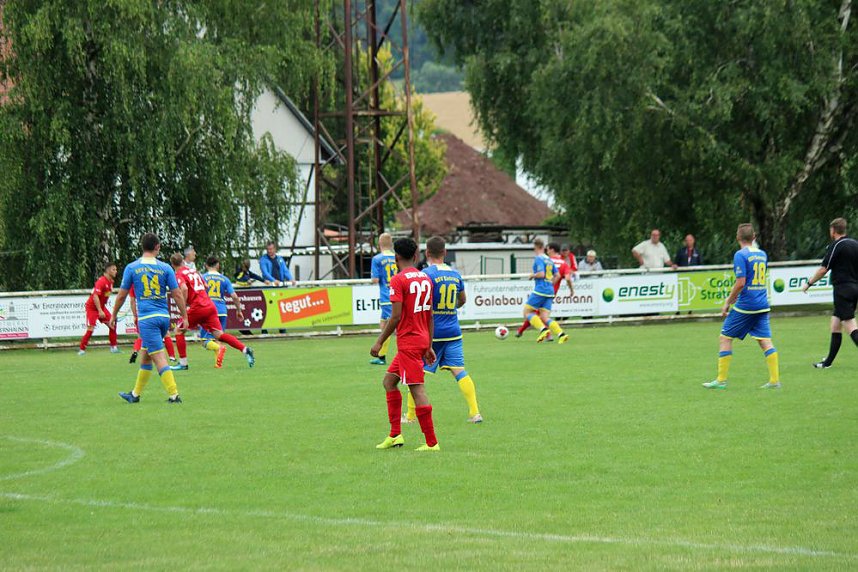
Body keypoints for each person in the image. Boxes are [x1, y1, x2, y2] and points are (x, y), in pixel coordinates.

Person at [370, 237, 440, 452]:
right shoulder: (425, 279)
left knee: (416, 388)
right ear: (416, 255)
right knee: (389, 382)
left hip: (408, 342)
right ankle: (395, 434)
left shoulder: (398, 280)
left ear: (396, 257)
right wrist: (428, 345)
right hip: (419, 339)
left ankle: (431, 442)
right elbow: (429, 315)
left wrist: (380, 341)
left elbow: (396, 316)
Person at [403, 236, 482, 424]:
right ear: (445, 252)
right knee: (460, 371)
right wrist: (449, 308)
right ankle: (475, 412)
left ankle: (411, 416)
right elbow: (463, 299)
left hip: (432, 333)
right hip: (453, 331)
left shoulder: (426, 274)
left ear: (427, 253)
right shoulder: (455, 275)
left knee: (417, 373)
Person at [109, 233, 188, 404]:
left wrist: (114, 315)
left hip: (147, 320)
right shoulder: (166, 268)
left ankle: (174, 395)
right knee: (145, 356)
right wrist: (185, 316)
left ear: (142, 247)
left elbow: (122, 295)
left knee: (159, 357)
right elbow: (177, 294)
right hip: (163, 317)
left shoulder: (132, 268)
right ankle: (135, 395)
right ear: (157, 247)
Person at [703, 223, 780, 390]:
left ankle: (721, 380)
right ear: (754, 237)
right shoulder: (762, 254)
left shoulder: (740, 255)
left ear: (738, 238)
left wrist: (727, 302)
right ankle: (774, 380)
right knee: (765, 341)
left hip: (747, 305)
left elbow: (740, 283)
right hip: (762, 303)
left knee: (725, 338)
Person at [171, 253, 255, 369]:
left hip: (198, 307)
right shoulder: (194, 271)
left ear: (173, 265)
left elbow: (184, 289)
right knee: (219, 335)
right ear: (183, 262)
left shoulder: (179, 274)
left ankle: (183, 363)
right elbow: (205, 286)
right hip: (209, 305)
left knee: (178, 331)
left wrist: (184, 305)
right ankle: (245, 349)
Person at [803, 218, 858, 368]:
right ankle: (827, 363)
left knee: (850, 325)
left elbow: (823, 269)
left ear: (833, 230)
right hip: (854, 289)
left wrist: (809, 283)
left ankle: (827, 363)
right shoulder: (855, 244)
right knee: (835, 324)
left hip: (843, 290)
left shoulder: (837, 245)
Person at [515, 242, 573, 339]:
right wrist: (550, 285)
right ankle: (561, 334)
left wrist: (532, 275)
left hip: (540, 290)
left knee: (527, 313)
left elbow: (541, 274)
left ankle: (543, 330)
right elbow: (558, 275)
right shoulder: (549, 259)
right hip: (550, 292)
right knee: (544, 317)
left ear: (537, 247)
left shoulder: (539, 258)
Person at [200, 256, 246, 348]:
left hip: (208, 311)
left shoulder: (202, 278)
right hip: (221, 311)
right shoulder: (225, 279)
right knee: (219, 338)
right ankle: (218, 362)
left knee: (205, 341)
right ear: (218, 266)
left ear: (206, 265)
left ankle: (219, 350)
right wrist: (239, 310)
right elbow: (234, 296)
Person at [78, 262, 120, 355]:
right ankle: (81, 350)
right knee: (90, 329)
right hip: (92, 308)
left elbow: (105, 296)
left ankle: (114, 348)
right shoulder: (101, 281)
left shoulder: (111, 282)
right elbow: (95, 296)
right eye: (114, 269)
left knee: (112, 324)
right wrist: (100, 310)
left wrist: (102, 309)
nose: (116, 271)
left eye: (116, 269)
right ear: (108, 270)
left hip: (101, 307)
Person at [128, 285, 177, 365]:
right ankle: (172, 356)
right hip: (158, 311)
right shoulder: (153, 278)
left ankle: (136, 351)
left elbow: (132, 300)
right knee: (166, 334)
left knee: (141, 336)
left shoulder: (134, 283)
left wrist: (134, 315)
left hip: (143, 314)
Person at [369, 233, 398, 365]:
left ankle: (403, 354)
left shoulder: (377, 259)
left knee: (394, 327)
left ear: (379, 244)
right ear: (391, 244)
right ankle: (381, 356)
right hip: (397, 294)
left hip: (387, 297)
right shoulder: (397, 257)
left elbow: (375, 280)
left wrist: (373, 278)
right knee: (384, 325)